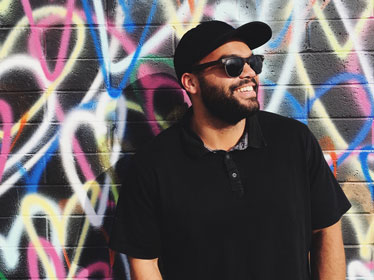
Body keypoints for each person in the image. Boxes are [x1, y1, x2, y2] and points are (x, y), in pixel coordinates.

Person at [109, 20, 351, 280]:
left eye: (253, 63)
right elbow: (144, 263)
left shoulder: (294, 141)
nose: (249, 73)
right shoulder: (154, 164)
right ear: (191, 83)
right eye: (232, 65)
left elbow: (326, 230)